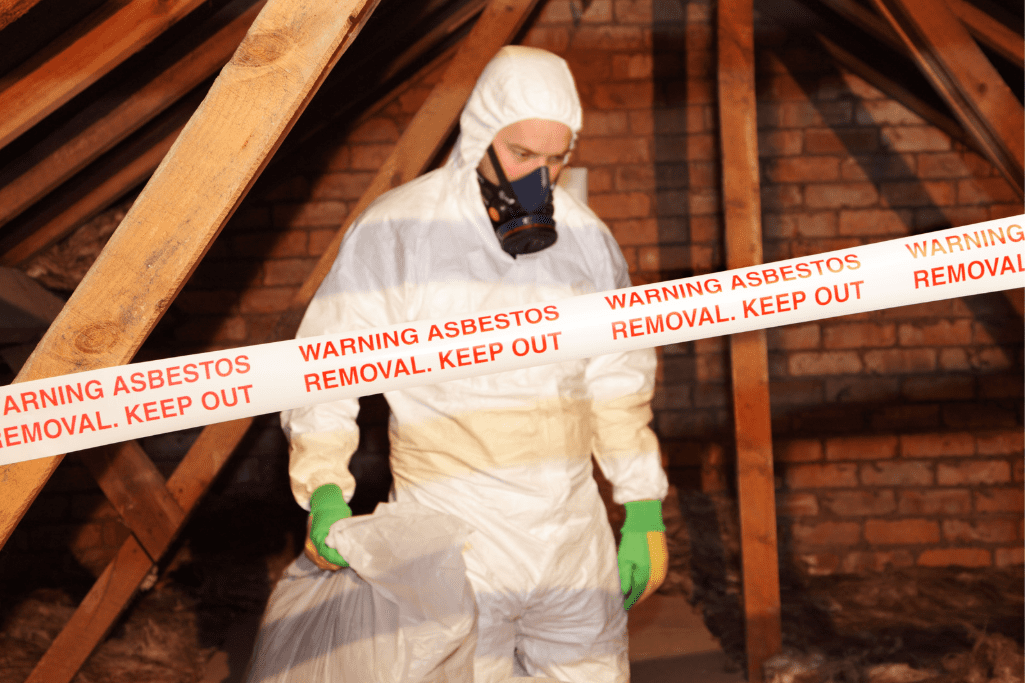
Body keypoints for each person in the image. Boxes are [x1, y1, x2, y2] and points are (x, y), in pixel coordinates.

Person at [281, 45, 669, 683]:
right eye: (522, 155)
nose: (538, 181)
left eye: (556, 159)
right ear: (481, 135)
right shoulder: (398, 232)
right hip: (453, 536)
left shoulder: (586, 239)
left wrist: (643, 504)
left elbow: (617, 380)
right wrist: (325, 488)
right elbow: (326, 367)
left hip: (569, 532)